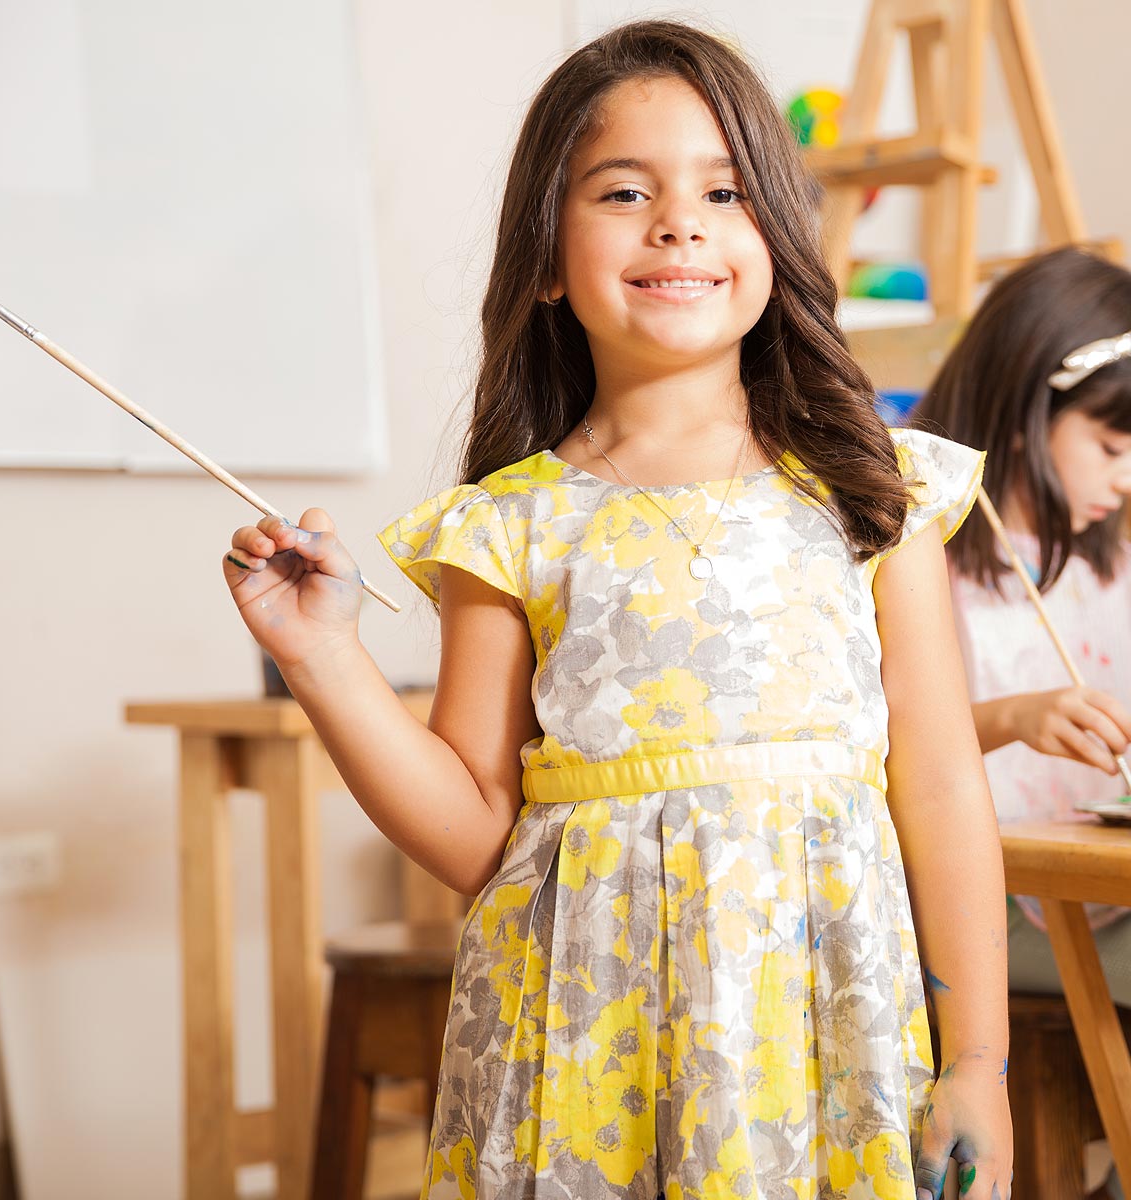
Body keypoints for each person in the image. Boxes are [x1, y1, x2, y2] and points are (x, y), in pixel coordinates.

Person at [224, 21, 1011, 1199]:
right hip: (577, 1044)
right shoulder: (510, 526)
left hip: (818, 1037)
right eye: (624, 190)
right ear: (546, 259)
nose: (678, 222)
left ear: (778, 239)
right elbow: (474, 831)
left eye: (725, 189)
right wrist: (322, 656)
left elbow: (941, 783)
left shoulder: (870, 490)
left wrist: (983, 1060)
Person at [915, 247, 1131, 1009]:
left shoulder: (1115, 568)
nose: (1127, 477)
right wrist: (1016, 717)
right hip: (988, 904)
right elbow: (880, 753)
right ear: (1022, 416)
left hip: (1100, 887)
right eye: (1110, 447)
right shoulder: (921, 561)